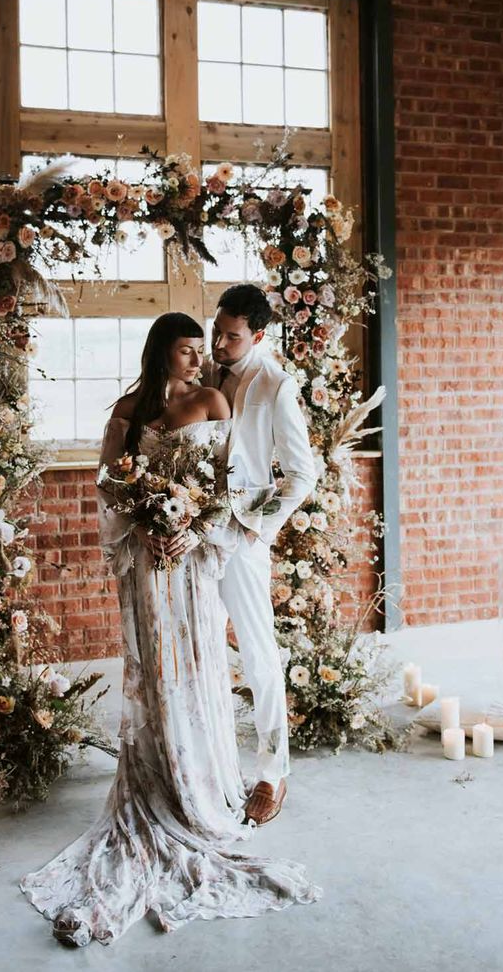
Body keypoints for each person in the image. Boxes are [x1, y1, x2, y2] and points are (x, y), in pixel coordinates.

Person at [20, 312, 321, 947]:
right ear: (162, 353)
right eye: (186, 351)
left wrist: (193, 525)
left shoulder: (214, 400)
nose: (199, 359)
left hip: (195, 559)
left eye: (203, 348)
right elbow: (110, 485)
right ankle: (155, 778)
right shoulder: (127, 410)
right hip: (147, 566)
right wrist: (146, 520)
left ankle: (205, 780)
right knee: (156, 671)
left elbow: (227, 484)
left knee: (202, 663)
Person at [202, 284, 324, 826]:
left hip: (242, 537)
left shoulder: (274, 383)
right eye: (217, 332)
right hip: (192, 535)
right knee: (200, 650)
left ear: (258, 335)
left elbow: (303, 474)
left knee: (257, 652)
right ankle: (207, 763)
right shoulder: (199, 371)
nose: (220, 344)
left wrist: (260, 526)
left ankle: (273, 773)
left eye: (232, 337)